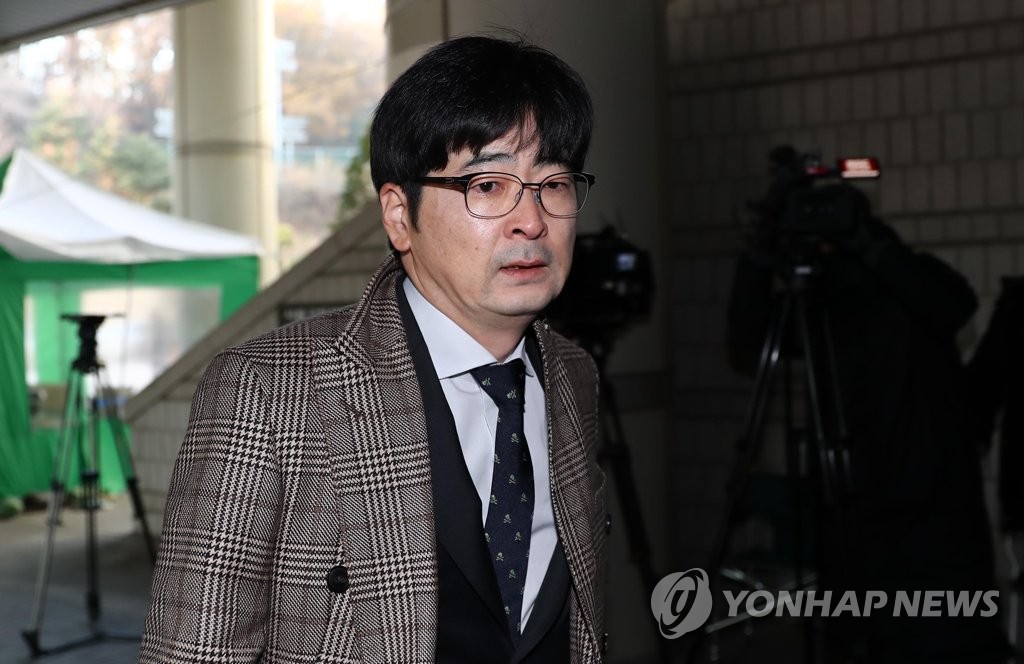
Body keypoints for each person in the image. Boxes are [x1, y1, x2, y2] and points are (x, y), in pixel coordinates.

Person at [139, 36, 607, 663]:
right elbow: (192, 650)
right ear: (398, 215)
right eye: (489, 185)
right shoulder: (269, 390)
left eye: (554, 183)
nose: (532, 220)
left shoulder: (575, 376)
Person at [726, 150, 1011, 663]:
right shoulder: (820, 307)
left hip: (936, 544)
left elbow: (954, 304)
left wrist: (870, 241)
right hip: (853, 536)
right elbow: (747, 346)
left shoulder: (908, 284)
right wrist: (759, 252)